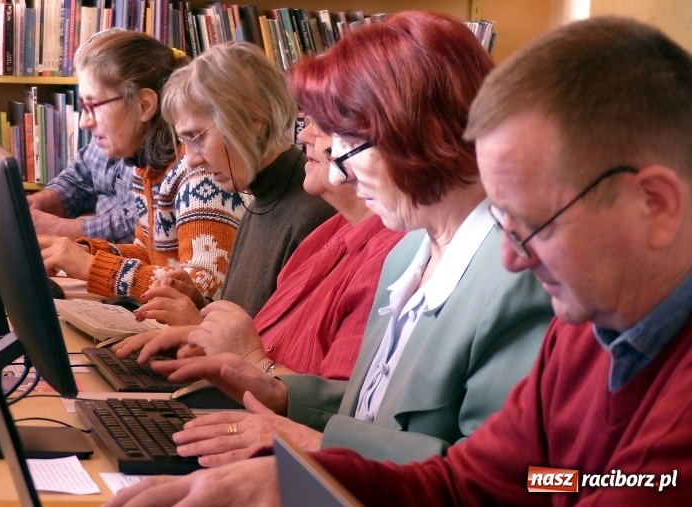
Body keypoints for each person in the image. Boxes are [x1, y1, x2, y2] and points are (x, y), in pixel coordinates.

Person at [105, 16, 692, 506]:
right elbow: (492, 482)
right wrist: (292, 480)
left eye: (534, 224)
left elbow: (563, 487)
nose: (511, 259)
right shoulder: (592, 330)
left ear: (656, 206)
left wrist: (311, 459)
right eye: (506, 224)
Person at [139, 10, 552, 468]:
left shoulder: (518, 280)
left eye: (347, 146)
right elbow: (377, 418)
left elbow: (523, 479)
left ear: (416, 133)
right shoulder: (405, 256)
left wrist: (314, 445)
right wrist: (282, 394)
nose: (336, 171)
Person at [112, 116, 404, 380]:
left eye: (324, 123)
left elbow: (336, 412)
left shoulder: (386, 257)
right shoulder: (331, 230)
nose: (304, 135)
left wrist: (240, 354)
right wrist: (204, 333)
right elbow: (262, 340)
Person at [38, 29, 245, 299]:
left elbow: (202, 289)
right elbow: (151, 256)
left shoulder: (199, 173)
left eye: (93, 106)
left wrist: (90, 266)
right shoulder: (147, 168)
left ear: (144, 105)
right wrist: (85, 251)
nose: (84, 122)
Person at [153, 41, 336, 318]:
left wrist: (194, 327)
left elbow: (272, 354)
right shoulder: (260, 196)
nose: (190, 159)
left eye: (197, 138)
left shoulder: (311, 214)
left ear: (252, 119)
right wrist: (197, 306)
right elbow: (251, 327)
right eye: (184, 141)